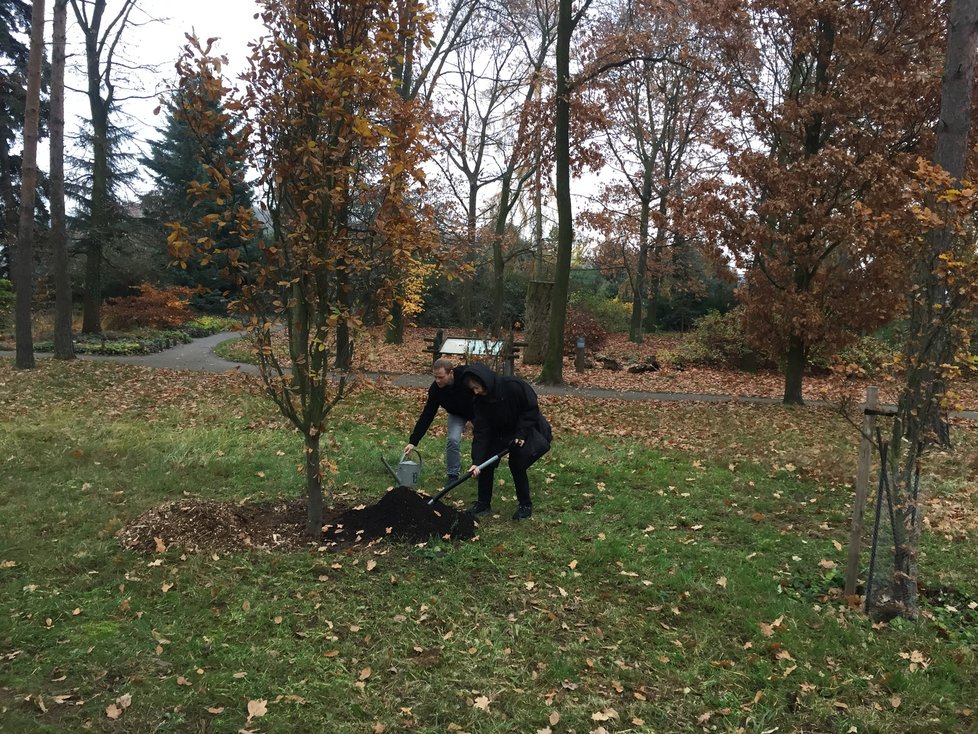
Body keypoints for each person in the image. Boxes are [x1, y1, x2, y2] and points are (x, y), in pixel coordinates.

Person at [461, 362, 553, 521]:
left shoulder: (513, 386)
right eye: (472, 389)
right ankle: (483, 503)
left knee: (517, 465)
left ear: (485, 381)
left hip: (523, 428)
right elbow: (481, 431)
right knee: (486, 463)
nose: (476, 392)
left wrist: (521, 433)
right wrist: (477, 461)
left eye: (477, 387)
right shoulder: (479, 401)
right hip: (499, 432)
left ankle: (525, 504)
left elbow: (531, 408)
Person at [405, 358, 475, 483]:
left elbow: (482, 395)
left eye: (441, 377)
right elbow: (427, 414)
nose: (437, 380)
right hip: (456, 414)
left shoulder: (466, 377)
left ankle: (479, 468)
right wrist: (413, 441)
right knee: (453, 440)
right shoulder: (435, 390)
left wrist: (474, 419)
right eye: (435, 377)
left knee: (481, 440)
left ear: (451, 373)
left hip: (477, 412)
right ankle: (453, 475)